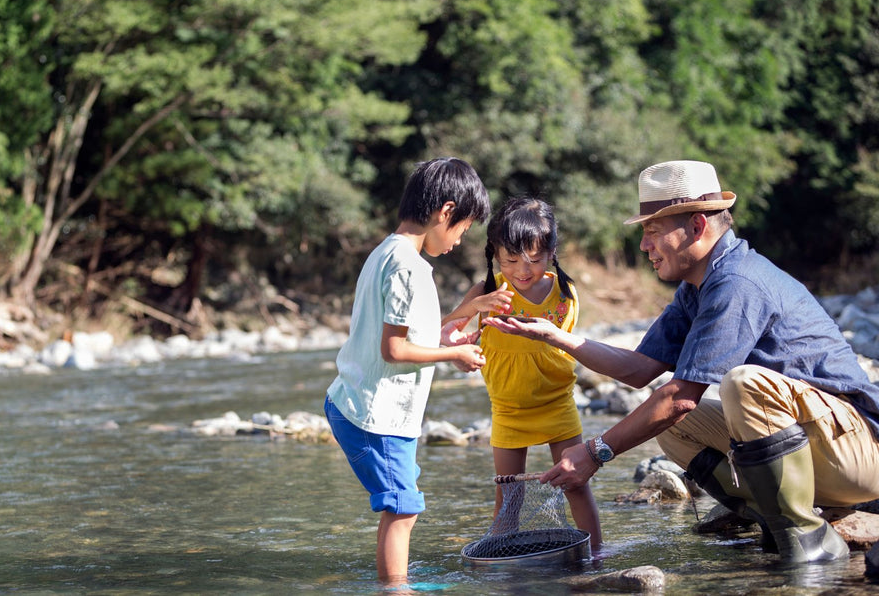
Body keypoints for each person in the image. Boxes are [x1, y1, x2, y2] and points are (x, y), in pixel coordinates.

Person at [482, 160, 879, 564]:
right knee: (673, 428)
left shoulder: (737, 281)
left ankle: (807, 539)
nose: (643, 246)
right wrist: (555, 336)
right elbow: (639, 370)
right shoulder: (696, 286)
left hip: (858, 453)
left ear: (697, 227)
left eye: (652, 232)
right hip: (820, 450)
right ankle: (773, 518)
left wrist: (596, 451)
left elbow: (682, 396)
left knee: (742, 385)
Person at [324, 157, 491, 587]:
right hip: (374, 414)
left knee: (403, 503)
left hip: (364, 403)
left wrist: (454, 330)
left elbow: (407, 335)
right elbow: (395, 348)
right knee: (403, 507)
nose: (458, 242)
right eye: (462, 230)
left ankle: (394, 581)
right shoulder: (408, 267)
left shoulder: (387, 252)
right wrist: (451, 357)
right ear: (445, 212)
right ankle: (396, 588)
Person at [443, 196, 602, 550]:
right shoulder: (488, 290)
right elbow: (443, 333)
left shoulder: (564, 293)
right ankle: (504, 565)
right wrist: (466, 329)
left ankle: (596, 555)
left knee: (576, 484)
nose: (522, 270)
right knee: (508, 496)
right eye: (511, 260)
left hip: (557, 404)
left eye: (534, 259)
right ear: (495, 255)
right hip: (507, 409)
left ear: (551, 252)